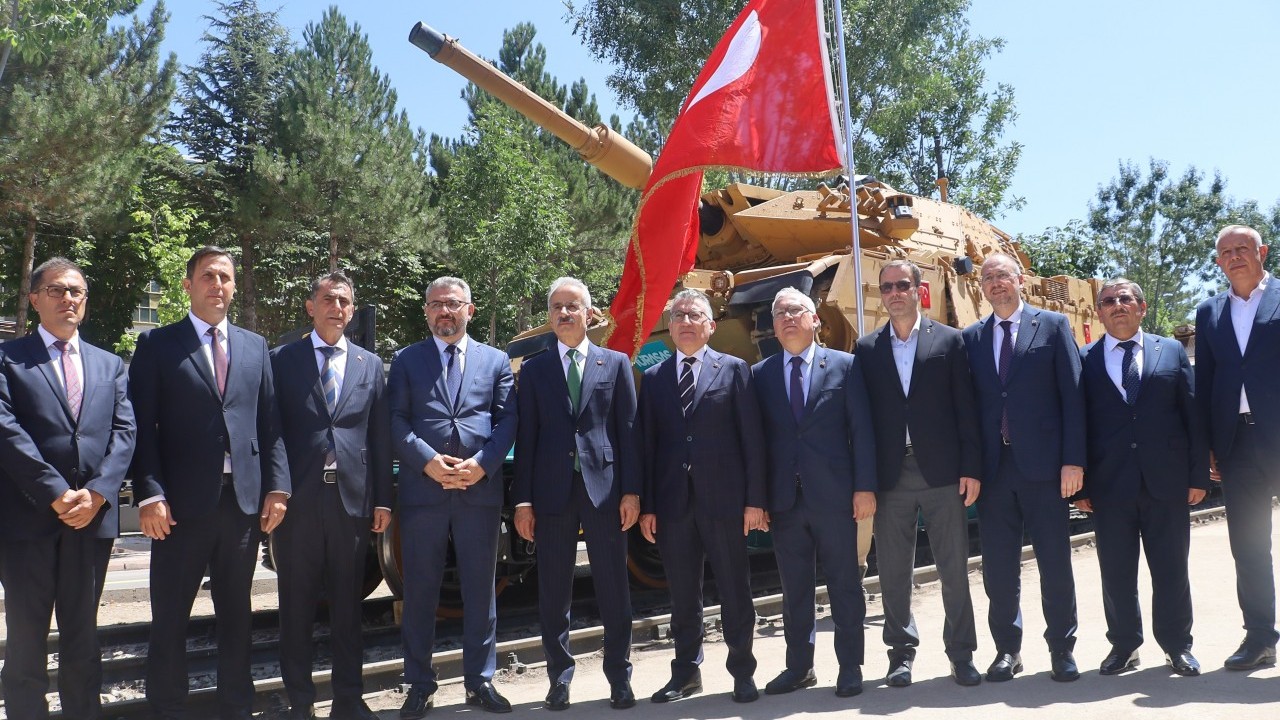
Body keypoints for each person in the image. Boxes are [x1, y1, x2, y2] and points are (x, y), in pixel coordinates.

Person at [130, 246, 291, 720]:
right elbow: (141, 428)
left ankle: (236, 706)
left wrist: (277, 488)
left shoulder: (255, 346)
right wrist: (150, 494)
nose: (216, 284)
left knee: (237, 616)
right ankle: (168, 708)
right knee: (170, 617)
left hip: (241, 505)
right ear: (188, 285)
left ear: (234, 286)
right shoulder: (158, 345)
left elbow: (271, 424)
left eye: (224, 277)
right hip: (177, 507)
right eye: (207, 276)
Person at [0, 257, 135, 719]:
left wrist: (97, 494)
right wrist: (55, 492)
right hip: (27, 520)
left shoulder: (111, 365)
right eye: (56, 290)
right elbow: (6, 430)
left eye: (76, 291)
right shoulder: (9, 359)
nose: (68, 299)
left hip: (90, 522)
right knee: (25, 638)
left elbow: (125, 433)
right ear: (35, 299)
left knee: (83, 636)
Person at [388, 276, 517, 718]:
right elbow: (396, 420)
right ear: (426, 311)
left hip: (478, 491)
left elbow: (506, 421)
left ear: (470, 310)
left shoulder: (497, 360)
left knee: (481, 589)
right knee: (420, 589)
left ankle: (480, 681)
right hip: (424, 492)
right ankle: (419, 685)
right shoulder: (406, 360)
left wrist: (480, 465)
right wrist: (428, 462)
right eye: (436, 305)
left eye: (453, 304)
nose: (445, 311)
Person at [512, 277, 640, 711]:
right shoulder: (534, 370)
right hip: (551, 494)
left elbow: (628, 434)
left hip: (605, 491)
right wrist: (523, 501)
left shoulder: (616, 363)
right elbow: (526, 438)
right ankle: (559, 679)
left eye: (573, 306)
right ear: (549, 317)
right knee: (553, 591)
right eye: (557, 308)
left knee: (613, 587)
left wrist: (632, 492)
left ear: (590, 314)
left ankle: (619, 678)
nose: (564, 314)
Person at [636, 288, 767, 704]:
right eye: (678, 316)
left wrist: (754, 500)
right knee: (682, 596)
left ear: (711, 326)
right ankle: (686, 674)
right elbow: (648, 447)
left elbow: (753, 441)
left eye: (695, 316)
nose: (686, 322)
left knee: (734, 589)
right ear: (670, 327)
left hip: (725, 501)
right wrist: (649, 506)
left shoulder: (734, 370)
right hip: (674, 505)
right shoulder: (654, 378)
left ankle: (742, 672)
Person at [270, 271, 392, 719]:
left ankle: (348, 700)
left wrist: (382, 500)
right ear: (311, 306)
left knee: (347, 608)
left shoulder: (368, 364)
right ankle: (300, 703)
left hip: (352, 503)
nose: (337, 308)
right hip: (297, 504)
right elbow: (273, 430)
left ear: (352, 309)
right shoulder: (282, 361)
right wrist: (276, 490)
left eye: (344, 301)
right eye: (328, 299)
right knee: (295, 608)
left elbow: (379, 437)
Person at [855, 260, 983, 688]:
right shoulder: (867, 348)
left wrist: (970, 467)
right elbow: (863, 422)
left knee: (953, 568)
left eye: (902, 285)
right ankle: (900, 655)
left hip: (943, 473)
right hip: (891, 476)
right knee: (892, 572)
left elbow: (967, 410)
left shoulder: (950, 340)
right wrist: (866, 482)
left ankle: (961, 654)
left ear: (918, 289)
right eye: (886, 286)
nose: (894, 292)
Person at [961, 252, 1085, 683]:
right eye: (988, 278)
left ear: (1020, 280)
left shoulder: (1052, 325)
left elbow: (1072, 396)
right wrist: (972, 467)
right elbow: (969, 410)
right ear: (981, 287)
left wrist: (1073, 460)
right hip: (995, 471)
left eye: (1002, 276)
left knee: (1054, 561)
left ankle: (1062, 649)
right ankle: (1007, 651)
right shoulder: (971, 337)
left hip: (1046, 468)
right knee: (998, 568)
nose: (996, 283)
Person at [1077, 277, 1208, 677]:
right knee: (1116, 574)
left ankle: (1177, 646)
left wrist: (1197, 475)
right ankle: (1124, 646)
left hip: (1166, 482)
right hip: (1109, 486)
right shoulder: (1084, 358)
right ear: (1098, 312)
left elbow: (1192, 416)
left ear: (1142, 307)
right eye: (1108, 301)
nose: (1117, 305)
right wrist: (1081, 486)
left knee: (1171, 570)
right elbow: (1079, 424)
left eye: (1125, 299)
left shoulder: (1169, 351)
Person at [750, 287, 876, 698]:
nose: (787, 318)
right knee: (795, 590)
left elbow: (863, 433)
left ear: (815, 319)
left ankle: (850, 667)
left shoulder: (847, 366)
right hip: (785, 502)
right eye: (780, 313)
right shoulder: (761, 374)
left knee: (844, 585)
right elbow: (757, 444)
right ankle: (800, 668)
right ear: (773, 324)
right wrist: (760, 498)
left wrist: (864, 488)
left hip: (837, 498)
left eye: (796, 310)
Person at [1194, 224, 1280, 670]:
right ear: (1218, 262)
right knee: (1248, 546)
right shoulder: (1208, 312)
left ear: (1262, 251)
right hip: (1237, 444)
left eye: (1243, 248)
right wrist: (1208, 443)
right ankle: (1261, 637)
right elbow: (1204, 383)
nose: (1234, 256)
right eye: (1225, 251)